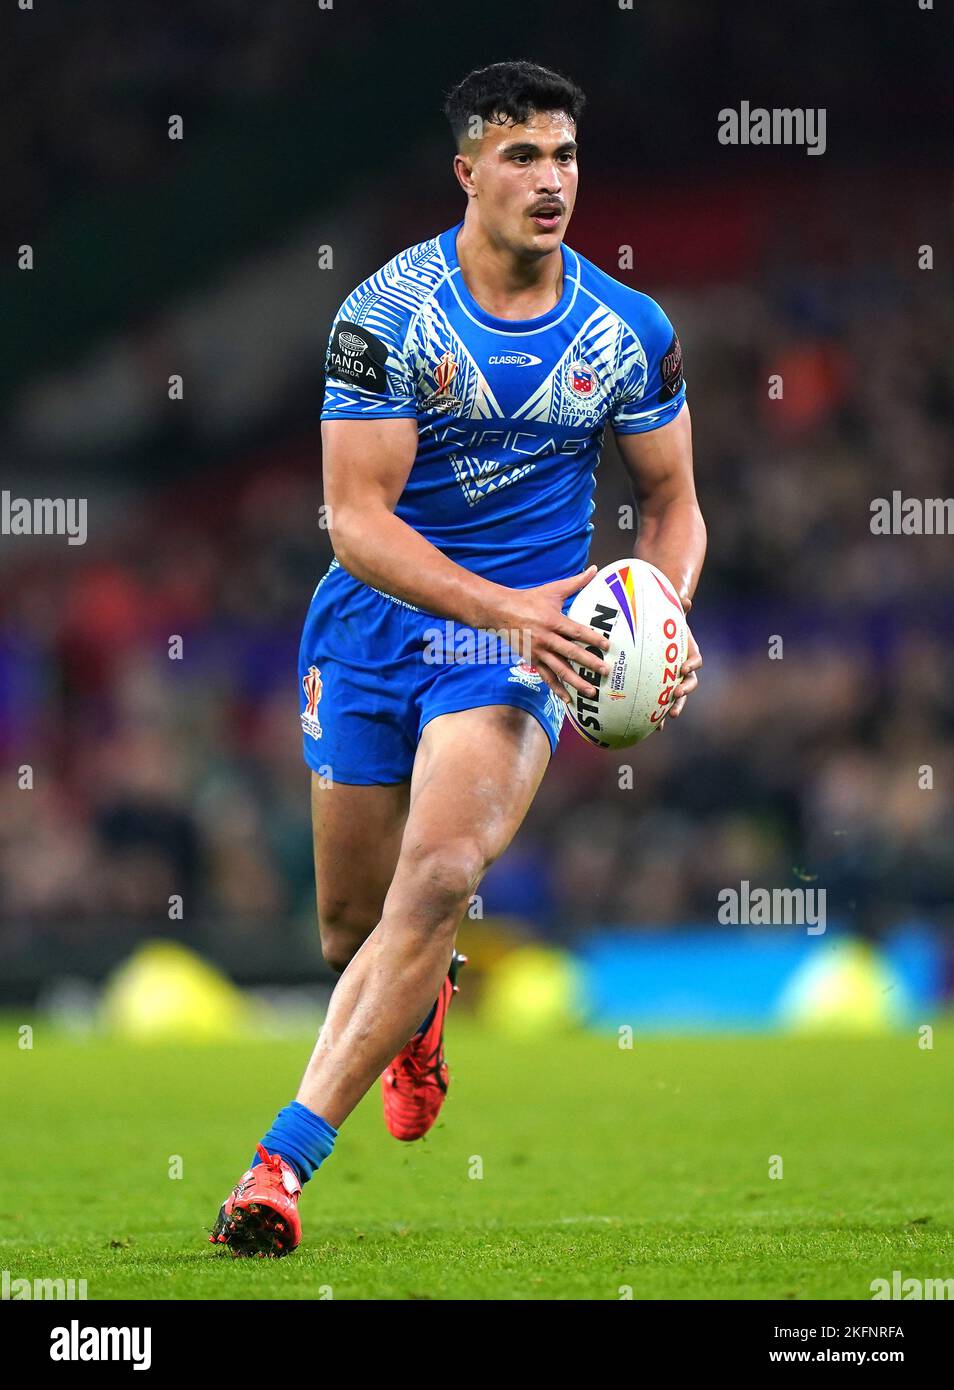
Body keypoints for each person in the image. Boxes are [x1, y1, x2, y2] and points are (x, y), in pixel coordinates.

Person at [211, 59, 705, 1257]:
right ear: (468, 171)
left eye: (568, 155)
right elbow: (358, 523)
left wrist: (663, 615)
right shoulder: (388, 317)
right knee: (349, 928)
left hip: (522, 649)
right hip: (380, 623)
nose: (552, 180)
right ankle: (420, 1003)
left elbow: (674, 504)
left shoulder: (629, 331)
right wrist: (506, 607)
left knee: (437, 875)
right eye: (524, 155)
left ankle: (278, 1166)